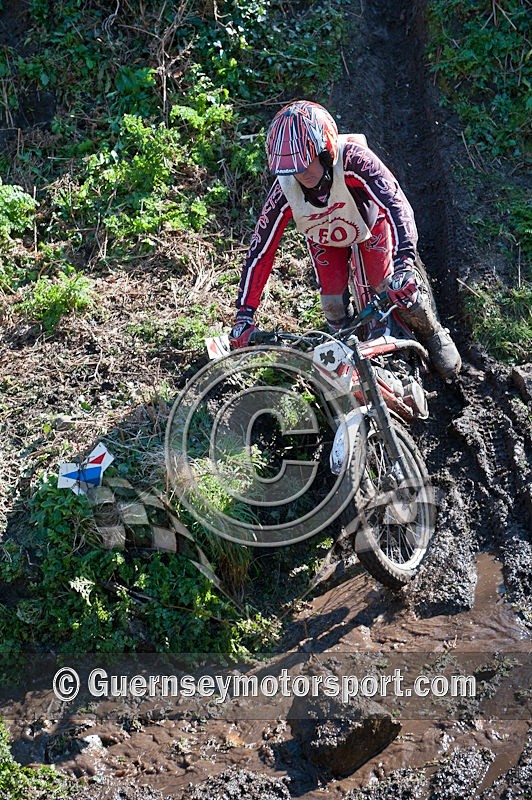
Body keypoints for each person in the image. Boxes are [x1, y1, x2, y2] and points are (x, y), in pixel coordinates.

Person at [229, 100, 461, 378]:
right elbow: (261, 250)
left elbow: (397, 205)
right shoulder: (285, 189)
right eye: (292, 169)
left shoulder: (354, 159)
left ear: (325, 151)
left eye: (306, 163)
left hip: (368, 226)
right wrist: (245, 313)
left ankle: (433, 332)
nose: (301, 175)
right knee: (332, 304)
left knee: (390, 288)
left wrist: (405, 263)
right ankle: (347, 349)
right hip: (324, 236)